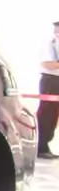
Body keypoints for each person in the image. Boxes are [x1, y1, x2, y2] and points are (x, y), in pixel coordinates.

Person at [39, 20, 59, 159]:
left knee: (53, 116)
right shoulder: (50, 44)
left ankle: (45, 145)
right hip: (50, 81)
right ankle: (41, 146)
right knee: (46, 114)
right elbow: (47, 64)